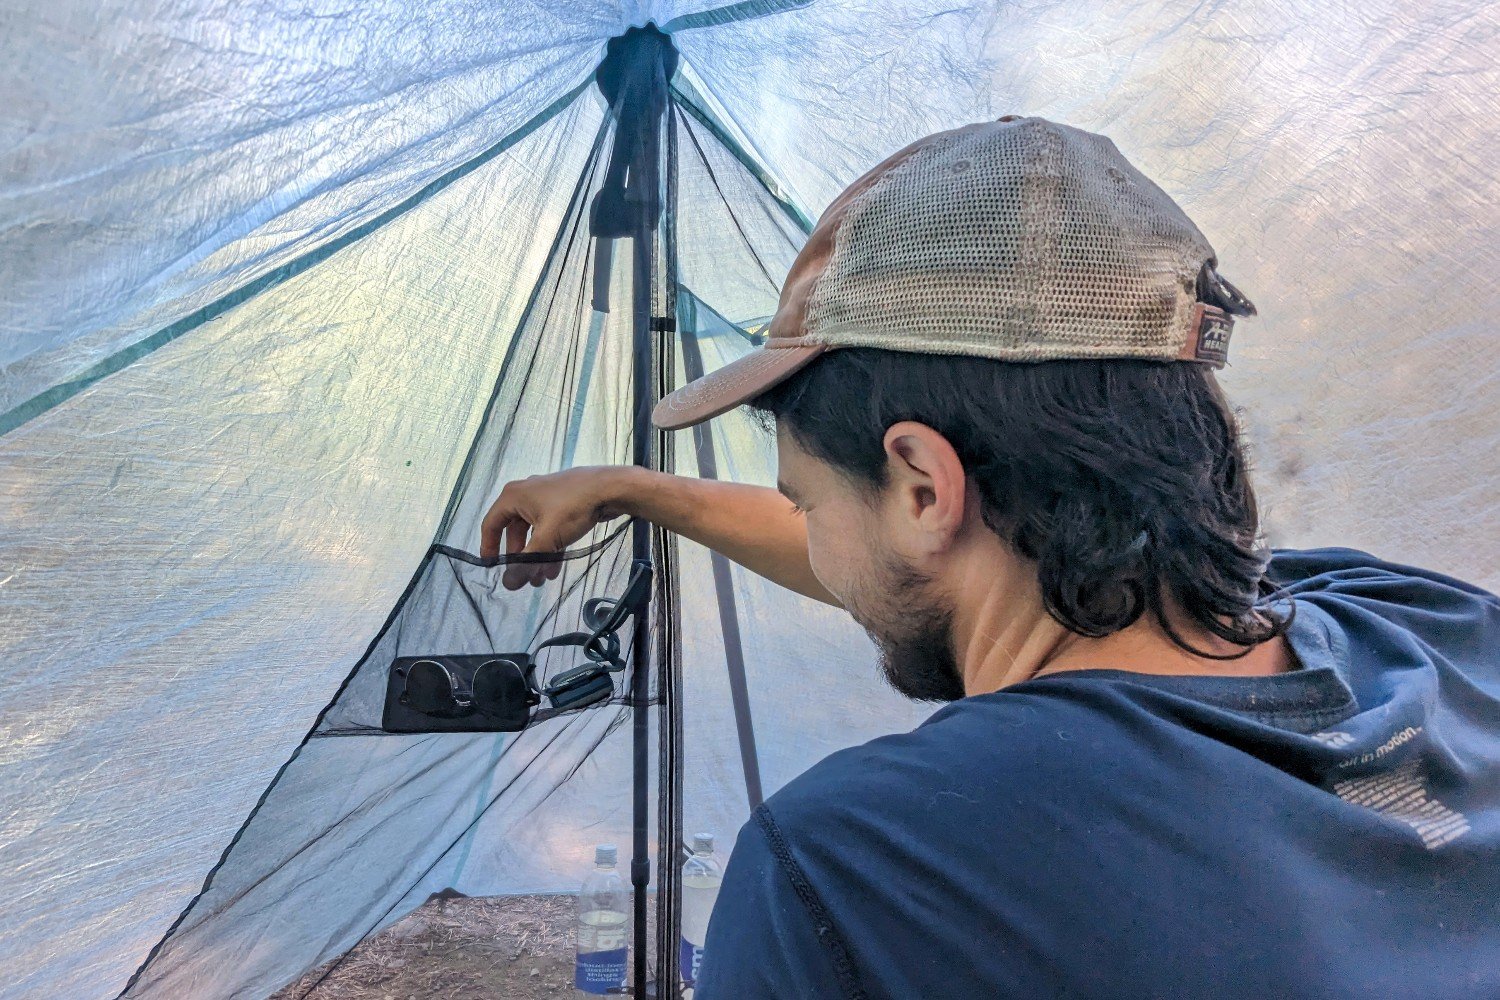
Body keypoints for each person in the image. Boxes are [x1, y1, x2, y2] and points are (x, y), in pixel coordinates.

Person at [481, 117, 1499, 998]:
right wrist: (635, 490)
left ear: (925, 488)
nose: (825, 553)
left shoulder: (858, 872)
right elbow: (924, 559)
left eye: (809, 499)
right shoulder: (1416, 621)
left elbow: (898, 564)